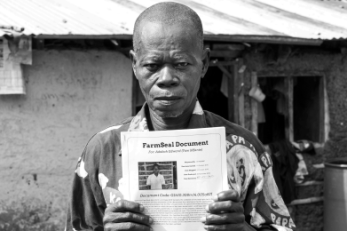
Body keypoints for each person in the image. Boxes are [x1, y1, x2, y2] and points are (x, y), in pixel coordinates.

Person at [66, 2, 295, 231]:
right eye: (152, 65)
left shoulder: (243, 150)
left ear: (204, 63)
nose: (167, 78)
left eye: (182, 63)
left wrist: (243, 230)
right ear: (135, 65)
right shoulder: (102, 151)